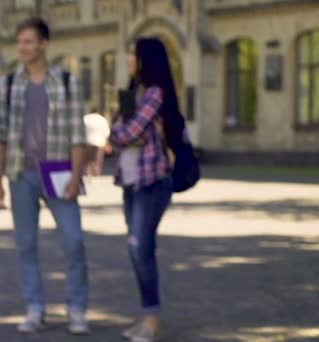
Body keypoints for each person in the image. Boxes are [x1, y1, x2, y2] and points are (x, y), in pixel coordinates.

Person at [0, 17, 89, 334]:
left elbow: (78, 135)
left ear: (43, 45)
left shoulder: (66, 82)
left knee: (74, 241)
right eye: (19, 42)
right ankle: (34, 308)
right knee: (25, 246)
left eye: (28, 42)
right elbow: (2, 136)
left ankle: (77, 310)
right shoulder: (9, 84)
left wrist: (77, 178)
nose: (22, 48)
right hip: (20, 174)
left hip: (59, 171)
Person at [111, 38, 187, 342]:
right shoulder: (132, 94)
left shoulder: (155, 93)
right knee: (139, 249)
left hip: (152, 181)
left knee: (138, 247)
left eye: (132, 53)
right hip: (130, 181)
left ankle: (151, 320)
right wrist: (123, 135)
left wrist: (124, 135)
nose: (128, 58)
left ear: (145, 59)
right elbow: (117, 134)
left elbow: (125, 132)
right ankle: (147, 316)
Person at [84, 107, 111, 177]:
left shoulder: (86, 118)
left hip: (88, 141)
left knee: (89, 159)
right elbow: (107, 132)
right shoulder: (102, 119)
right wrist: (107, 143)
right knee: (98, 161)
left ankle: (89, 172)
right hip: (100, 142)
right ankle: (97, 173)